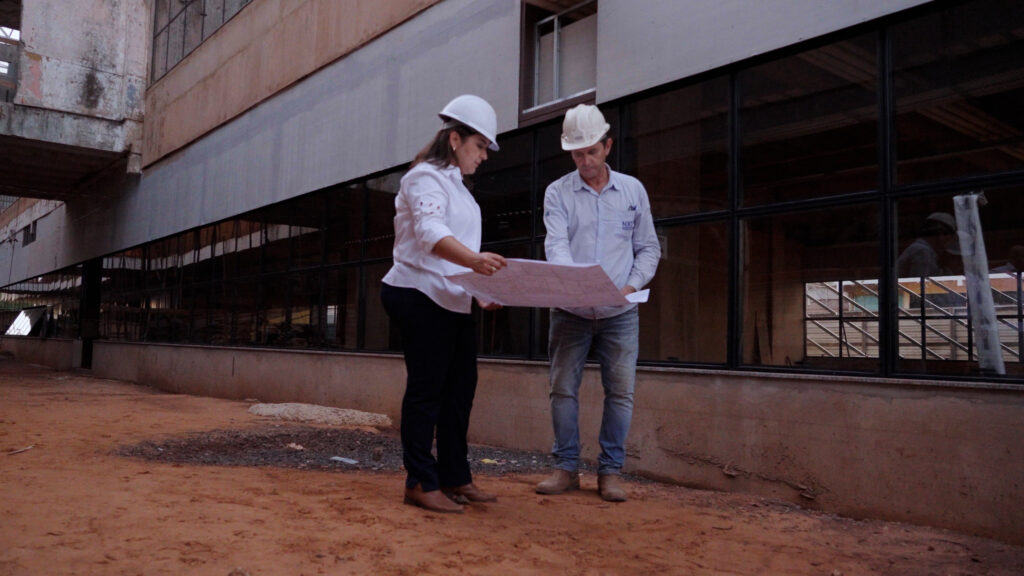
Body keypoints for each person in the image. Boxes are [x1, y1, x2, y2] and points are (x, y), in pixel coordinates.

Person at [380, 94, 507, 514]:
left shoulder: (461, 191)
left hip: (452, 301)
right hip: (418, 293)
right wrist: (475, 261)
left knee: (459, 393)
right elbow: (431, 233)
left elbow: (459, 254)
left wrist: (480, 290)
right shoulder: (424, 178)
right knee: (427, 390)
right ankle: (419, 481)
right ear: (455, 139)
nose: (484, 156)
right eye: (479, 146)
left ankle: (455, 476)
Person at [536, 104, 661, 502]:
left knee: (621, 393)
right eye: (577, 154)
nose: (585, 161)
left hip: (620, 312)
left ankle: (610, 473)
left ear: (607, 146)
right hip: (570, 311)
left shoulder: (632, 191)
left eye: (591, 151)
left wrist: (631, 285)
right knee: (562, 390)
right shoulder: (557, 192)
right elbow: (555, 243)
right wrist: (572, 281)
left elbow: (648, 249)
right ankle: (566, 468)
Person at [896, 212, 960, 278]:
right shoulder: (922, 251)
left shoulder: (933, 254)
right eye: (946, 235)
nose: (948, 241)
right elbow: (920, 285)